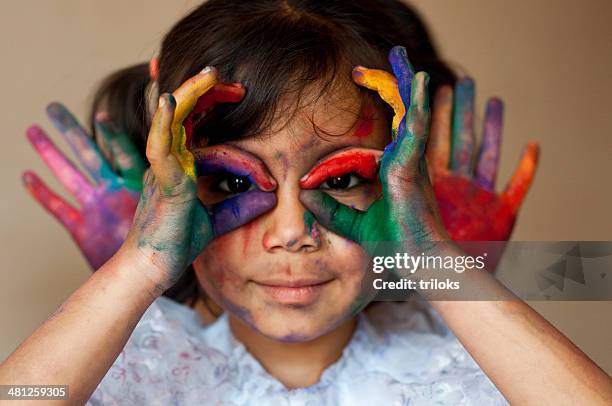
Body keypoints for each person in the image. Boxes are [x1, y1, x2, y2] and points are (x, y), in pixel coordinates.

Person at [2, 0, 611, 404]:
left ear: (406, 188)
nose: (291, 231)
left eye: (341, 180)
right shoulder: (143, 360)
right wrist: (139, 265)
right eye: (235, 183)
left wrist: (437, 261)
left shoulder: (461, 368)